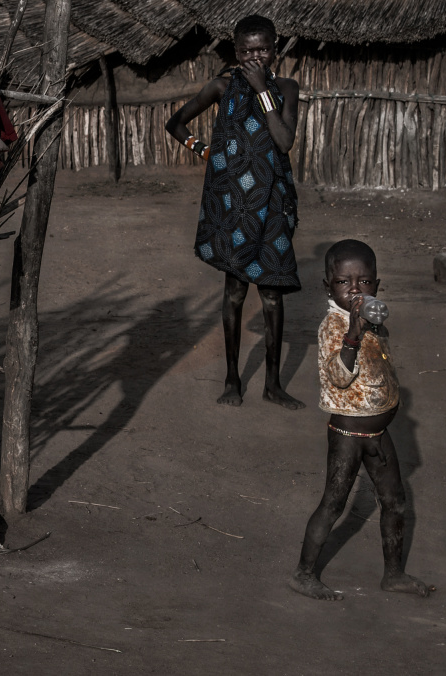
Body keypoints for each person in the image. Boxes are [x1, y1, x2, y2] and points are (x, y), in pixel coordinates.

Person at [165, 15, 304, 409]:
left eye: (261, 49)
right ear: (235, 51)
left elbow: (283, 140)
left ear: (275, 49)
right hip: (234, 208)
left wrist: (262, 91)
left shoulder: (288, 89)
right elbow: (174, 123)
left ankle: (273, 385)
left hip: (272, 204)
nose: (253, 57)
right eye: (246, 50)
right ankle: (231, 380)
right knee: (235, 292)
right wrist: (205, 151)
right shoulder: (221, 87)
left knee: (273, 296)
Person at [289, 239, 430, 601]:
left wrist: (370, 327)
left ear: (377, 285)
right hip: (348, 433)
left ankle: (393, 574)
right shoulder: (332, 328)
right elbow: (338, 377)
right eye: (343, 282)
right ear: (328, 286)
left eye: (364, 282)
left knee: (395, 501)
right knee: (333, 504)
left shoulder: (369, 320)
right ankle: (303, 574)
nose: (354, 290)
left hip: (378, 432)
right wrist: (353, 332)